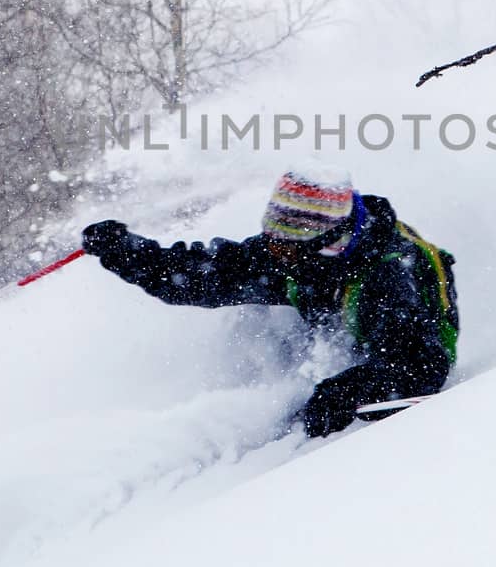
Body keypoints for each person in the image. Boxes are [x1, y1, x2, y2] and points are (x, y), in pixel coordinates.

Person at [81, 168, 458, 437]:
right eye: (271, 233)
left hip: (401, 348)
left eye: (284, 240)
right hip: (344, 323)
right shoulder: (292, 256)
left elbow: (422, 371)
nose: (272, 248)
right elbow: (206, 276)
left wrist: (348, 389)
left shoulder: (386, 278)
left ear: (322, 239)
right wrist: (128, 253)